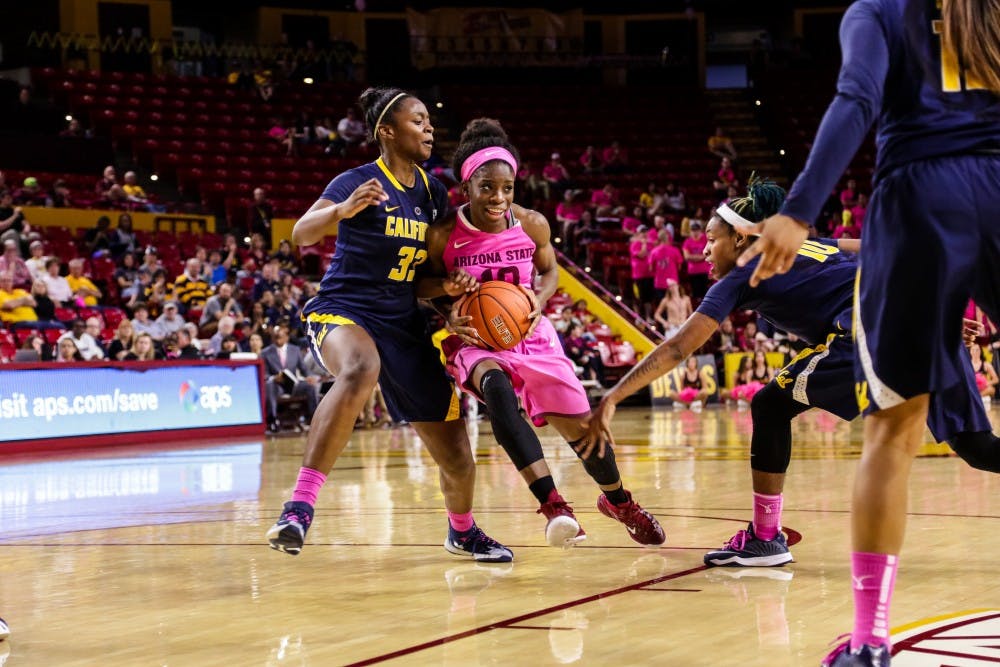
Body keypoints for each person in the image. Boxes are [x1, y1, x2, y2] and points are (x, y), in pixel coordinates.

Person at [604, 178, 998, 665]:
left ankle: (767, 539)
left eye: (711, 237)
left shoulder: (741, 276)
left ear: (743, 240)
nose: (702, 248)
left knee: (771, 406)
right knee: (979, 449)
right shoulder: (811, 243)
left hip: (869, 332)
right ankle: (765, 538)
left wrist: (614, 395)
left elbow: (680, 346)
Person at [734, 3, 1000, 664]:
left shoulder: (878, 10)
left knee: (894, 430)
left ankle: (870, 640)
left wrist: (797, 212)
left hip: (920, 199)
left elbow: (856, 100)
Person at [265, 87, 513, 562]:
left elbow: (427, 276)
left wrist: (450, 289)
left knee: (457, 453)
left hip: (405, 320)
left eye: (428, 121)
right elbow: (300, 234)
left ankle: (462, 532)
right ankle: (298, 508)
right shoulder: (357, 181)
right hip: (346, 309)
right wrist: (342, 210)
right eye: (417, 121)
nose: (429, 128)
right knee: (360, 367)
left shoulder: (432, 192)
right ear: (387, 131)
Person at [421, 118, 664, 548]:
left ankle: (620, 502)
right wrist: (445, 297)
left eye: (507, 188)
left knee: (583, 430)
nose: (498, 197)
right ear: (466, 188)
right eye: (487, 188)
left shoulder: (532, 224)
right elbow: (419, 285)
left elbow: (550, 270)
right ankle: (553, 505)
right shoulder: (443, 234)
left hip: (531, 336)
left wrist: (539, 297)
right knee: (496, 390)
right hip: (474, 338)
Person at [261, 322, 320, 432]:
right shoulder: (265, 353)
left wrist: (310, 377)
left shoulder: (295, 350)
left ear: (286, 337)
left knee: (311, 386)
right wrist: (273, 378)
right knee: (269, 385)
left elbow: (304, 369)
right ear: (272, 338)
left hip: (293, 385)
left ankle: (313, 420)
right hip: (277, 386)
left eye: (280, 336)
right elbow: (264, 374)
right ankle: (272, 420)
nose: (278, 338)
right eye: (275, 336)